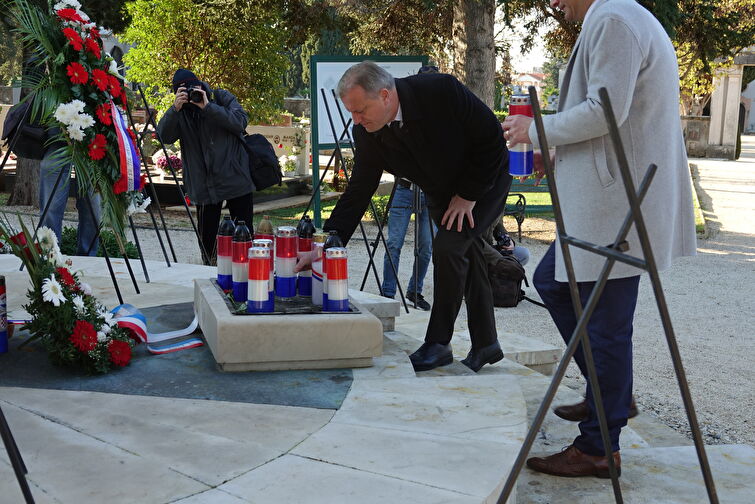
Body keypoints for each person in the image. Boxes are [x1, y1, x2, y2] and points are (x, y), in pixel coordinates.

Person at [503, 0, 696, 478]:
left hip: (618, 203)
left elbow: (604, 110)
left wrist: (537, 128)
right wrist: (553, 146)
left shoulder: (613, 19)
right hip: (611, 200)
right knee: (554, 284)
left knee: (605, 324)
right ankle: (610, 392)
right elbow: (604, 110)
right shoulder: (617, 15)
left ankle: (598, 446)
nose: (553, 3)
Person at [297, 61, 512, 372]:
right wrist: (328, 242)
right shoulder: (368, 131)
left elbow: (491, 138)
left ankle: (438, 343)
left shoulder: (440, 90)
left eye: (360, 111)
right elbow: (360, 188)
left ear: (385, 95)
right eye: (351, 113)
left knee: (449, 249)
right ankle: (487, 344)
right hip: (441, 191)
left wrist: (467, 196)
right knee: (469, 252)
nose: (356, 120)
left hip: (484, 180)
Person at [157, 69, 253, 265]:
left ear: (200, 85)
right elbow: (164, 136)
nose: (192, 93)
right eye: (184, 90)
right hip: (204, 185)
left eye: (193, 88)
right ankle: (210, 271)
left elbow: (240, 122)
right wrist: (174, 109)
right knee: (207, 242)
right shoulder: (180, 112)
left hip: (234, 176)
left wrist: (208, 107)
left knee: (243, 236)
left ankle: (245, 273)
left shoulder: (220, 97)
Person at [39, 137, 101, 256]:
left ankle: (87, 257)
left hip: (92, 140)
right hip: (57, 138)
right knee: (50, 207)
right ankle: (50, 258)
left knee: (94, 209)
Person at [381, 176, 434, 311]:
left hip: (431, 192)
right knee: (394, 244)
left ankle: (414, 291)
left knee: (426, 247)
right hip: (404, 189)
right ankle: (388, 293)